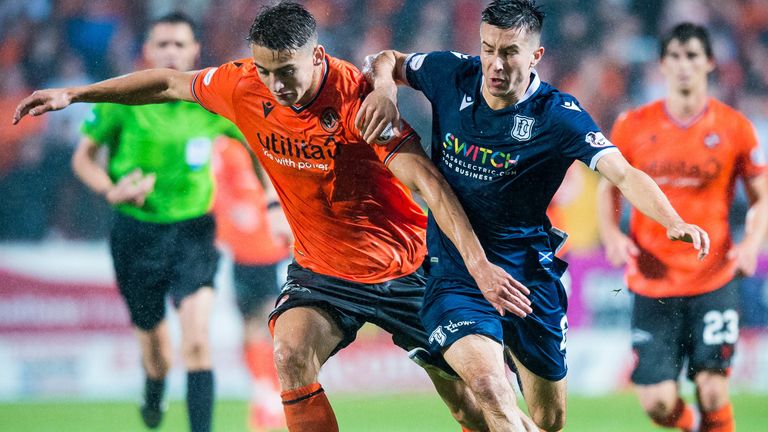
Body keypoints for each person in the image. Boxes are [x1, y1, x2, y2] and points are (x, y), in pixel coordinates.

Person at [14, 2, 536, 431]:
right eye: (265, 70)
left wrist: (480, 268)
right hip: (323, 272)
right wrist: (74, 94)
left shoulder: (358, 100)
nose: (275, 83)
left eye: (286, 71)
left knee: (481, 399)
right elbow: (171, 83)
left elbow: (429, 185)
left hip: (409, 270)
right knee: (288, 355)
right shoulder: (243, 85)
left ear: (317, 56)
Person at [357, 1, 710, 431]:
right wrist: (385, 88)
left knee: (549, 419)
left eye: (509, 52)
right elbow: (387, 61)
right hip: (457, 273)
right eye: (488, 49)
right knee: (489, 387)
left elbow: (622, 172)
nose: (495, 64)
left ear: (535, 56)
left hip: (528, 275)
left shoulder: (557, 116)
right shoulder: (450, 73)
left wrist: (673, 220)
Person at [68, 12, 246, 432]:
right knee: (158, 356)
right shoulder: (124, 101)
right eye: (162, 44)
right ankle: (153, 392)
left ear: (195, 51)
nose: (171, 52)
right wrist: (112, 190)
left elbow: (259, 149)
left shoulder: (212, 103)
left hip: (194, 232)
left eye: (180, 44)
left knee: (198, 342)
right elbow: (83, 159)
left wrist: (275, 205)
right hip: (136, 234)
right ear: (146, 52)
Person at [597, 22, 768, 432]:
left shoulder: (735, 128)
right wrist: (611, 234)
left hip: (713, 278)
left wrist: (751, 246)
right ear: (662, 64)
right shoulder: (632, 125)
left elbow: (761, 195)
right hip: (652, 281)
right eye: (674, 56)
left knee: (712, 391)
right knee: (658, 403)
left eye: (692, 55)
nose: (683, 65)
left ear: (709, 62)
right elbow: (609, 187)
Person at [211, 136, 292, 431]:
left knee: (269, 323)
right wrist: (231, 214)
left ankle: (271, 393)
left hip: (274, 251)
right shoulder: (226, 148)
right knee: (250, 324)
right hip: (244, 253)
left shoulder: (272, 144)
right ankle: (264, 391)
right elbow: (215, 190)